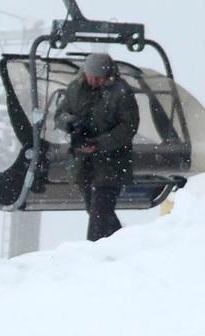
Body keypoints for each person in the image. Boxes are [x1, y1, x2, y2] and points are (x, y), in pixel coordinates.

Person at [55, 52, 139, 241]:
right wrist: (73, 124)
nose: (93, 81)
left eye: (98, 78)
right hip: (84, 165)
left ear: (108, 74)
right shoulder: (75, 89)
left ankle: (93, 254)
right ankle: (125, 243)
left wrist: (99, 144)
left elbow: (128, 127)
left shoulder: (121, 93)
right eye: (90, 76)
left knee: (99, 216)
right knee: (95, 210)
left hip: (111, 165)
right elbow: (60, 115)